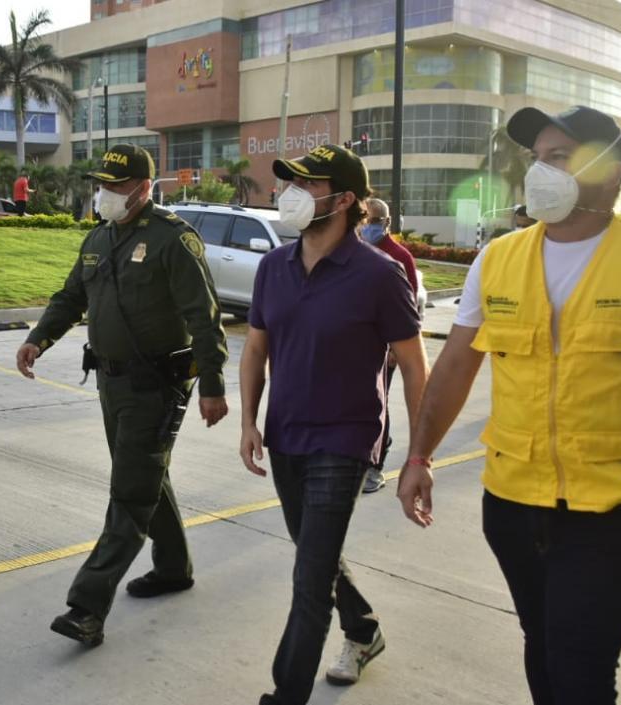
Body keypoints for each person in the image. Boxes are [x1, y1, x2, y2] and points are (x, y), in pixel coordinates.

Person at [397, 105, 621, 705]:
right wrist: (419, 456)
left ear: (612, 170)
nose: (539, 171)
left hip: (612, 508)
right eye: (537, 158)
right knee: (543, 642)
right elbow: (454, 366)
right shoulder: (498, 259)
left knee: (581, 665)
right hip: (511, 499)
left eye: (559, 157)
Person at [16, 144, 229, 647]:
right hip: (111, 384)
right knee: (147, 475)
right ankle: (174, 567)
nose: (105, 194)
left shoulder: (172, 240)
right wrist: (37, 339)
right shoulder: (98, 238)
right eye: (103, 185)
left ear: (143, 189)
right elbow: (71, 297)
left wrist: (214, 386)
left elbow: (204, 316)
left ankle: (87, 607)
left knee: (131, 494)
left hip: (155, 386)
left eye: (115, 186)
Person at [240, 144, 428, 705]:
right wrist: (249, 423)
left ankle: (285, 694)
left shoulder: (379, 274)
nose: (290, 193)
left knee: (307, 582)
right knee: (313, 556)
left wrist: (420, 455)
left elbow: (417, 369)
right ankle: (364, 629)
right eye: (288, 183)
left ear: (345, 200)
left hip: (344, 440)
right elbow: (254, 349)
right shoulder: (274, 266)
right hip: (285, 435)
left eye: (307, 184)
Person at [359, 197, 418, 494]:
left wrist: (397, 348)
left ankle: (375, 465)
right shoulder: (353, 250)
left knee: (378, 402)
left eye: (374, 221)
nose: (367, 227)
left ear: (387, 223)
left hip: (386, 346)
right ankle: (373, 447)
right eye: (364, 220)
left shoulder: (399, 256)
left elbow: (409, 307)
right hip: (357, 346)